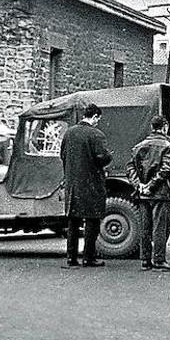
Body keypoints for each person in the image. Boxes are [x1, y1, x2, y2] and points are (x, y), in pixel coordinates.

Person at [60, 104, 112, 269]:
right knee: (92, 221)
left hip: (72, 185)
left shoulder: (69, 133)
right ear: (95, 116)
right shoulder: (96, 135)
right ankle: (88, 258)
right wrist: (109, 156)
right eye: (98, 119)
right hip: (91, 185)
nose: (98, 122)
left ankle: (71, 258)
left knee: (73, 223)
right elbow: (102, 158)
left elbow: (63, 155)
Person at [128, 115, 170, 272]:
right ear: (164, 127)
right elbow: (165, 169)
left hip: (143, 194)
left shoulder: (138, 146)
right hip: (161, 193)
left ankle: (145, 260)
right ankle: (159, 260)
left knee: (145, 227)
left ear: (151, 127)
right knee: (160, 227)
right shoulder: (166, 146)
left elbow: (130, 168)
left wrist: (140, 185)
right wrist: (151, 185)